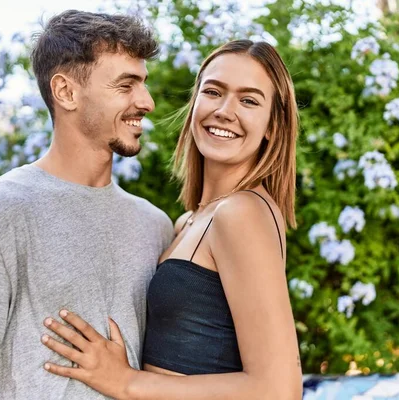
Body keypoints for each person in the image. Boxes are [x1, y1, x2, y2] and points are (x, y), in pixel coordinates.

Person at [0, 10, 173, 399]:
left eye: (143, 84)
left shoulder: (154, 225)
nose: (146, 101)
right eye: (125, 85)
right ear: (66, 92)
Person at [40, 39, 303, 399]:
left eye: (249, 100)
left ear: (272, 125)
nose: (225, 111)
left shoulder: (242, 213)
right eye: (213, 92)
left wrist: (126, 381)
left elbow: (278, 389)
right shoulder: (188, 222)